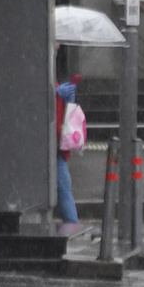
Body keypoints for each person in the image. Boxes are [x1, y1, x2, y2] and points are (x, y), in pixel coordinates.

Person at [55, 74, 82, 224]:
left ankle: (73, 225)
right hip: (50, 147)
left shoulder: (51, 76)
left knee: (64, 188)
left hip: (54, 148)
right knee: (64, 189)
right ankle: (73, 225)